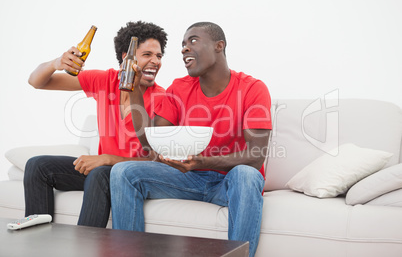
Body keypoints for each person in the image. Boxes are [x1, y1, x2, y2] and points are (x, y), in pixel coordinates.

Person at [110, 22, 272, 257]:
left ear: (219, 46)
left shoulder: (252, 89)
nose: (185, 49)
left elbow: (255, 158)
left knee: (247, 175)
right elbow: (150, 146)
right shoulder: (178, 88)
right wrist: (134, 89)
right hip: (188, 178)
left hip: (229, 183)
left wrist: (201, 162)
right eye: (182, 45)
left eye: (193, 41)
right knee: (124, 172)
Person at [24, 21, 168, 228]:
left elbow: (157, 161)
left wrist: (107, 159)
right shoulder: (106, 80)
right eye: (147, 55)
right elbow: (36, 81)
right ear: (125, 58)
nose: (155, 61)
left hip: (127, 176)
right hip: (101, 169)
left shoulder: (163, 99)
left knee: (100, 173)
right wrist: (57, 63)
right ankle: (37, 244)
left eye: (159, 56)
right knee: (38, 166)